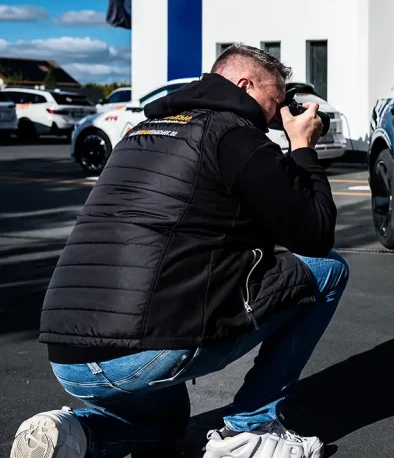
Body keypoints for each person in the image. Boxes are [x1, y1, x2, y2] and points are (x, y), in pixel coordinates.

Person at [10, 45, 346, 458]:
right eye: (276, 101)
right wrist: (303, 148)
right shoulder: (235, 136)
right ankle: (253, 429)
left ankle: (75, 433)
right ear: (244, 85)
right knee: (327, 269)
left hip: (70, 358)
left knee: (166, 425)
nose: (276, 115)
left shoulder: (141, 133)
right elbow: (314, 235)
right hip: (140, 355)